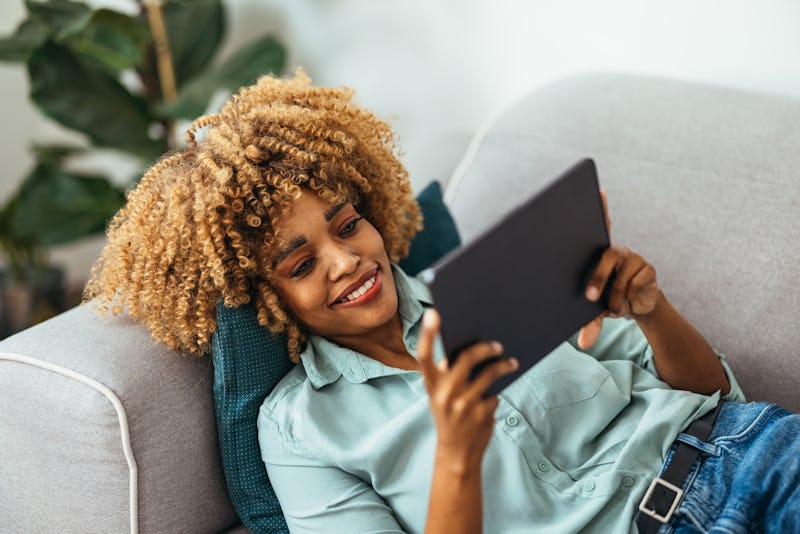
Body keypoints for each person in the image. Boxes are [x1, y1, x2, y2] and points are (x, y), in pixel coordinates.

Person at [85, 70, 800, 533]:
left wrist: (652, 308)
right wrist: (457, 454)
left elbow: (713, 396)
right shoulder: (304, 430)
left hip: (746, 456)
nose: (346, 262)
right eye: (301, 262)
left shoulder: (497, 280)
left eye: (348, 224)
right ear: (263, 295)